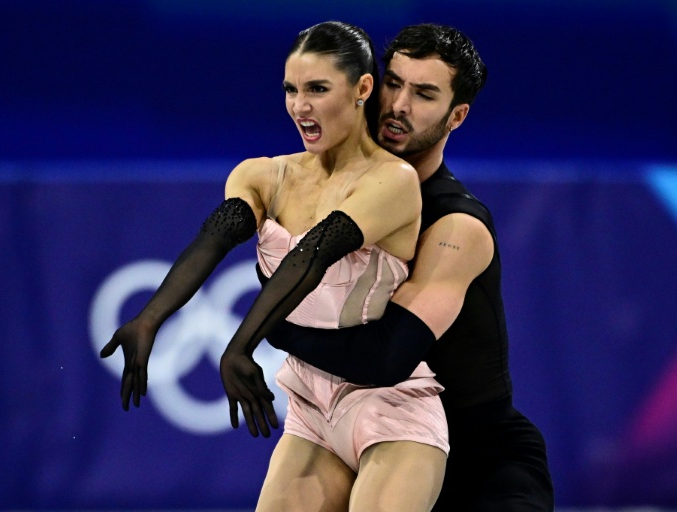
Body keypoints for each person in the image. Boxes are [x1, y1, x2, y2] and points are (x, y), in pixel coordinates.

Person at [100, 21, 449, 511]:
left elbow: (313, 255)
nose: (299, 106)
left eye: (317, 89)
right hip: (310, 406)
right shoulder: (261, 174)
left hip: (391, 403)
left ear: (362, 89)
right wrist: (149, 318)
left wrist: (239, 346)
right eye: (291, 89)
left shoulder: (393, 181)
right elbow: (215, 238)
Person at [261, 23, 555, 511]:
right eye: (393, 83)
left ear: (456, 116)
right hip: (372, 433)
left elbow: (385, 358)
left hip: (479, 455)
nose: (398, 106)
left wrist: (270, 326)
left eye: (424, 94)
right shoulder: (327, 189)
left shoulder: (457, 224)